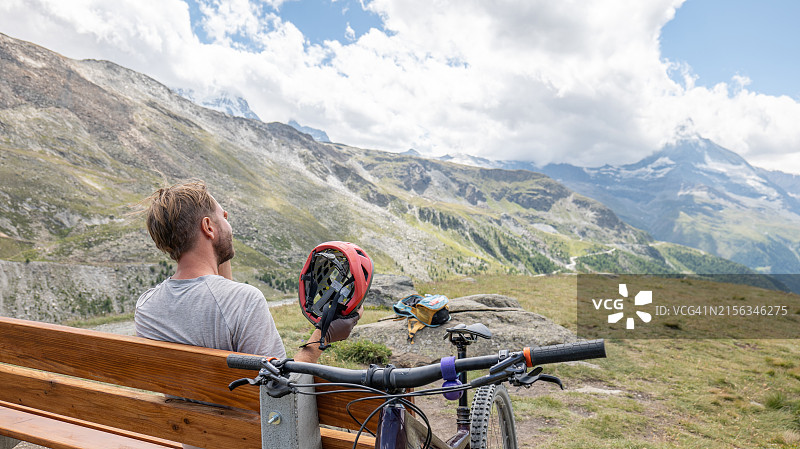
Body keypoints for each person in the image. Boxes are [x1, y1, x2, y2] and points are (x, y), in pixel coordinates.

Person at [135, 180, 360, 363]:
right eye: (223, 217)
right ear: (208, 227)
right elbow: (279, 391)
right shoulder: (244, 301)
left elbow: (218, 300)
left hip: (173, 418)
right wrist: (322, 337)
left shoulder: (146, 307)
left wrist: (217, 247)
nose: (228, 220)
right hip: (238, 420)